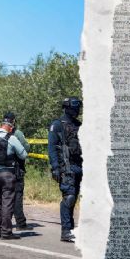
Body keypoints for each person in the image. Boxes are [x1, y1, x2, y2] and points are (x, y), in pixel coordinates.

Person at [48, 97, 83, 243]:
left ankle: (72, 229)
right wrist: (55, 167)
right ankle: (66, 230)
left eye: (78, 106)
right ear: (67, 107)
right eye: (75, 106)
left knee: (74, 197)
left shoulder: (79, 125)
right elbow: (51, 147)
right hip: (66, 166)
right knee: (68, 197)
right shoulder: (57, 125)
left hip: (80, 165)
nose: (77, 109)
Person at [3, 112, 33, 231]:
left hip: (1, 170)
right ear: (14, 121)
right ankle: (21, 223)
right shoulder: (18, 133)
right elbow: (26, 149)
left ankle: (4, 223)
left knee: (4, 197)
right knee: (17, 196)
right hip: (16, 170)